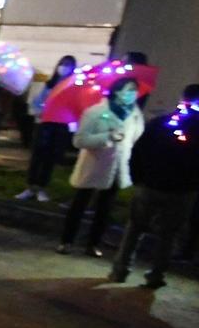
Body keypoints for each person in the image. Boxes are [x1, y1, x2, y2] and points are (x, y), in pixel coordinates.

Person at [110, 84, 199, 288]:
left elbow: (138, 151)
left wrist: (137, 176)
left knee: (134, 229)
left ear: (182, 97)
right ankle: (156, 275)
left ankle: (120, 270)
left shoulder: (161, 122)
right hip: (182, 191)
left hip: (150, 185)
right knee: (168, 235)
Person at [59, 76, 145, 256]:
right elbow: (79, 140)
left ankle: (93, 244)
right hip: (94, 164)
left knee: (105, 208)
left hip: (117, 167)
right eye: (127, 90)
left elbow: (137, 138)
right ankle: (67, 241)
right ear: (117, 91)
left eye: (134, 91)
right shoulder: (95, 112)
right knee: (80, 204)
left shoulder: (135, 114)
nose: (131, 94)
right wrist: (107, 137)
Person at [18, 55, 78, 201]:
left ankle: (42, 187)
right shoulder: (50, 84)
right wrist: (40, 111)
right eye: (62, 64)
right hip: (44, 123)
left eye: (68, 65)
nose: (64, 67)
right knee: (37, 156)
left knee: (50, 158)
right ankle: (30, 187)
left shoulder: (74, 85)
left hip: (61, 124)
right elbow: (37, 102)